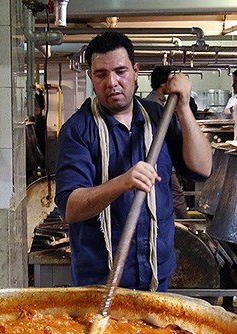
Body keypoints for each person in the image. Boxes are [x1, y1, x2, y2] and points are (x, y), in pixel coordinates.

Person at [54, 31, 212, 292]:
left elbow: (202, 167)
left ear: (136, 71)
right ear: (91, 78)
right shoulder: (78, 130)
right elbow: (71, 207)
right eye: (101, 74)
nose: (112, 82)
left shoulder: (159, 117)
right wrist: (122, 182)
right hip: (100, 277)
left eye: (120, 71)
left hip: (156, 271)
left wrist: (183, 107)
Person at [145, 65, 192, 219]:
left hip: (159, 160)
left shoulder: (156, 102)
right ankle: (186, 228)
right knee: (176, 195)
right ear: (164, 83)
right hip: (158, 160)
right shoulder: (154, 106)